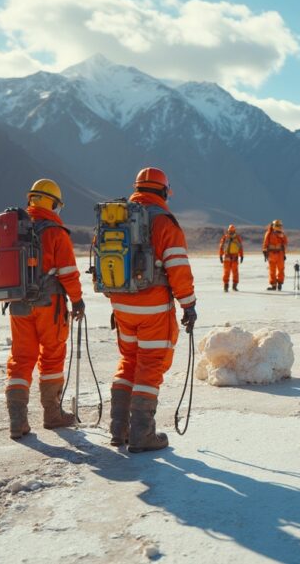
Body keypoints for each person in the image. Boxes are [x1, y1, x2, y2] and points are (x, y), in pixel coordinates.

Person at [108, 167, 197, 453]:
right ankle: (142, 434)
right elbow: (178, 268)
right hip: (153, 307)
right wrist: (189, 304)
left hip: (121, 305)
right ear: (162, 192)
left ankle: (118, 430)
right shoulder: (163, 222)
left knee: (128, 360)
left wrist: (116, 299)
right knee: (150, 363)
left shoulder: (115, 218)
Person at [5, 179, 84, 439]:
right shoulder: (55, 232)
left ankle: (18, 421)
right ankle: (52, 414)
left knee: (21, 358)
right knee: (51, 356)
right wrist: (77, 300)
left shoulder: (14, 229)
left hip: (18, 304)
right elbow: (69, 273)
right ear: (52, 203)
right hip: (50, 306)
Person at [262, 219, 288, 291]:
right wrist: (264, 251)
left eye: (279, 225)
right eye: (277, 225)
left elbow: (285, 244)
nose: (279, 227)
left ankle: (279, 284)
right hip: (273, 254)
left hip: (279, 254)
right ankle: (274, 285)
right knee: (273, 270)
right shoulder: (269, 233)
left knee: (280, 270)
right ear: (273, 226)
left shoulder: (282, 234)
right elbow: (265, 243)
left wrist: (284, 254)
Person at [218, 224, 244, 292]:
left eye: (232, 231)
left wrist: (241, 255)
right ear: (228, 231)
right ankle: (226, 286)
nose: (231, 232)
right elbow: (221, 247)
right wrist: (220, 255)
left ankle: (234, 286)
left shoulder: (237, 238)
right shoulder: (225, 238)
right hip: (227, 257)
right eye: (230, 231)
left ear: (234, 231)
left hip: (235, 257)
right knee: (226, 272)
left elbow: (240, 247)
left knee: (235, 272)